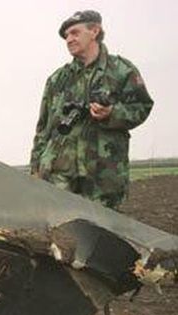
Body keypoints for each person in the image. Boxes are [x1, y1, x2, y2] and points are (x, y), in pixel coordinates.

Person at [30, 10, 153, 209]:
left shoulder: (121, 70)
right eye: (66, 36)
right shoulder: (57, 79)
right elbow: (43, 127)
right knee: (58, 231)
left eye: (74, 33)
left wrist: (112, 113)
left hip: (103, 175)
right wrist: (35, 168)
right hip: (59, 174)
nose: (69, 39)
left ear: (94, 31)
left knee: (102, 233)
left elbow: (142, 107)